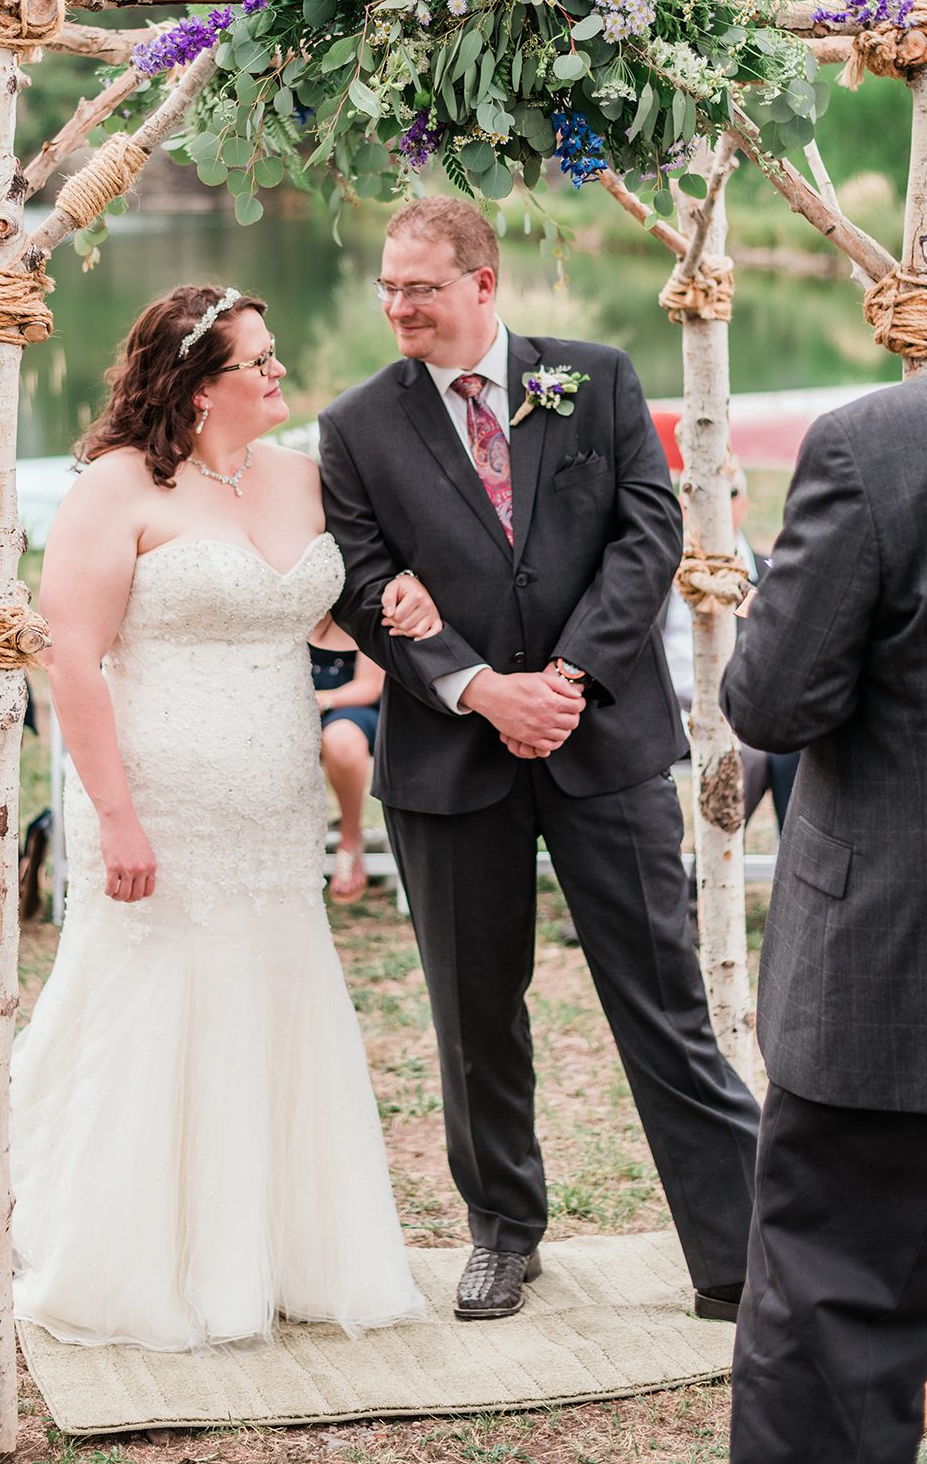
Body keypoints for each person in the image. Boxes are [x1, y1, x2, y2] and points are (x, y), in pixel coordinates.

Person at [0, 286, 426, 1352]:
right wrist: (115, 816)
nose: (280, 376)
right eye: (260, 363)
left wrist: (399, 607)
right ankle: (131, 1251)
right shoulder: (117, 491)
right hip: (158, 796)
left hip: (274, 803)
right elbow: (72, 656)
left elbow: (322, 605)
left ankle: (276, 1247)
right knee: (149, 1016)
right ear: (204, 390)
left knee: (276, 1000)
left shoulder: (300, 476)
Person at [318, 195, 760, 1323]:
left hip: (598, 736)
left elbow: (648, 531)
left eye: (418, 285)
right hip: (448, 759)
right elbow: (366, 589)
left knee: (661, 997)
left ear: (482, 282)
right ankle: (503, 1234)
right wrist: (479, 687)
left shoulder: (598, 377)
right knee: (474, 1013)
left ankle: (741, 1250)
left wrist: (562, 683)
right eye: (387, 284)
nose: (396, 303)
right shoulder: (356, 425)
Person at [722, 134, 927, 1464]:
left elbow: (769, 703)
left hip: (894, 965)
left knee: (836, 1316)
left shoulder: (877, 446)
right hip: (907, 963)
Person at [662, 466, 798, 834]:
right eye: (698, 493)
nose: (714, 504)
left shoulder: (769, 573)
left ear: (745, 505)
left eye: (730, 493)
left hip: (736, 707)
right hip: (665, 705)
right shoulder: (659, 568)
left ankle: (720, 876)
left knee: (766, 751)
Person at [310, 617, 384, 901]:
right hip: (290, 705)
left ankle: (350, 838)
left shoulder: (362, 605)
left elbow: (369, 686)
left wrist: (321, 700)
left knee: (340, 739)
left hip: (354, 707)